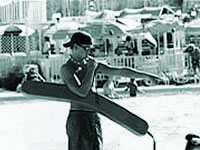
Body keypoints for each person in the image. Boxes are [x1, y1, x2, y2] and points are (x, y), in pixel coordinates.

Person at [60, 31, 163, 150]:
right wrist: (91, 69)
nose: (89, 52)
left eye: (90, 48)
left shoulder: (90, 65)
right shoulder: (67, 69)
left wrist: (147, 76)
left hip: (93, 115)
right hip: (78, 116)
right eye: (86, 48)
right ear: (75, 47)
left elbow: (120, 71)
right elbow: (82, 92)